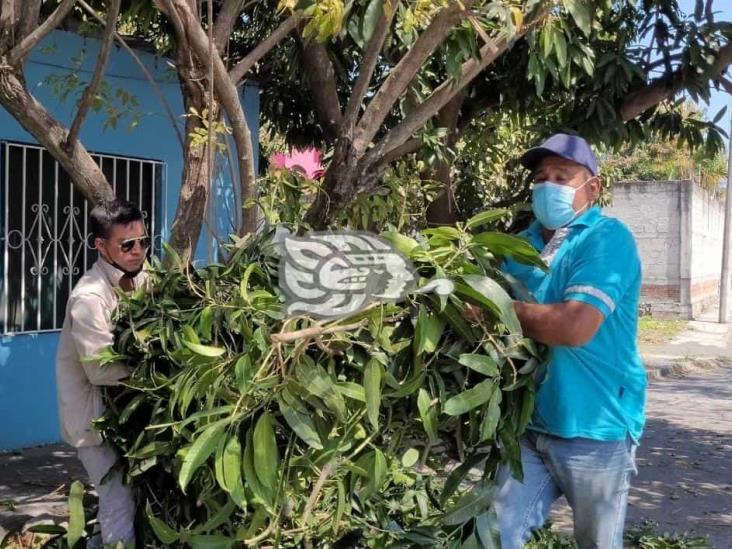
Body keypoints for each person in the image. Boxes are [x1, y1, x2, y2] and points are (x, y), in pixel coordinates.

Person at [484, 134, 647, 548]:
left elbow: (574, 327)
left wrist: (494, 307)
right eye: (540, 177)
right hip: (530, 423)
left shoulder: (606, 239)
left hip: (594, 426)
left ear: (592, 187)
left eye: (561, 175)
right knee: (494, 533)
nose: (548, 185)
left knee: (597, 542)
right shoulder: (520, 246)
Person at [56, 199, 150, 547]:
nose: (138, 251)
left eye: (143, 242)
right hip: (93, 421)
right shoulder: (89, 298)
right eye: (127, 245)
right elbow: (101, 370)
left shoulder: (141, 277)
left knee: (123, 501)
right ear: (100, 245)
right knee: (118, 498)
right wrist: (160, 371)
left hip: (122, 417)